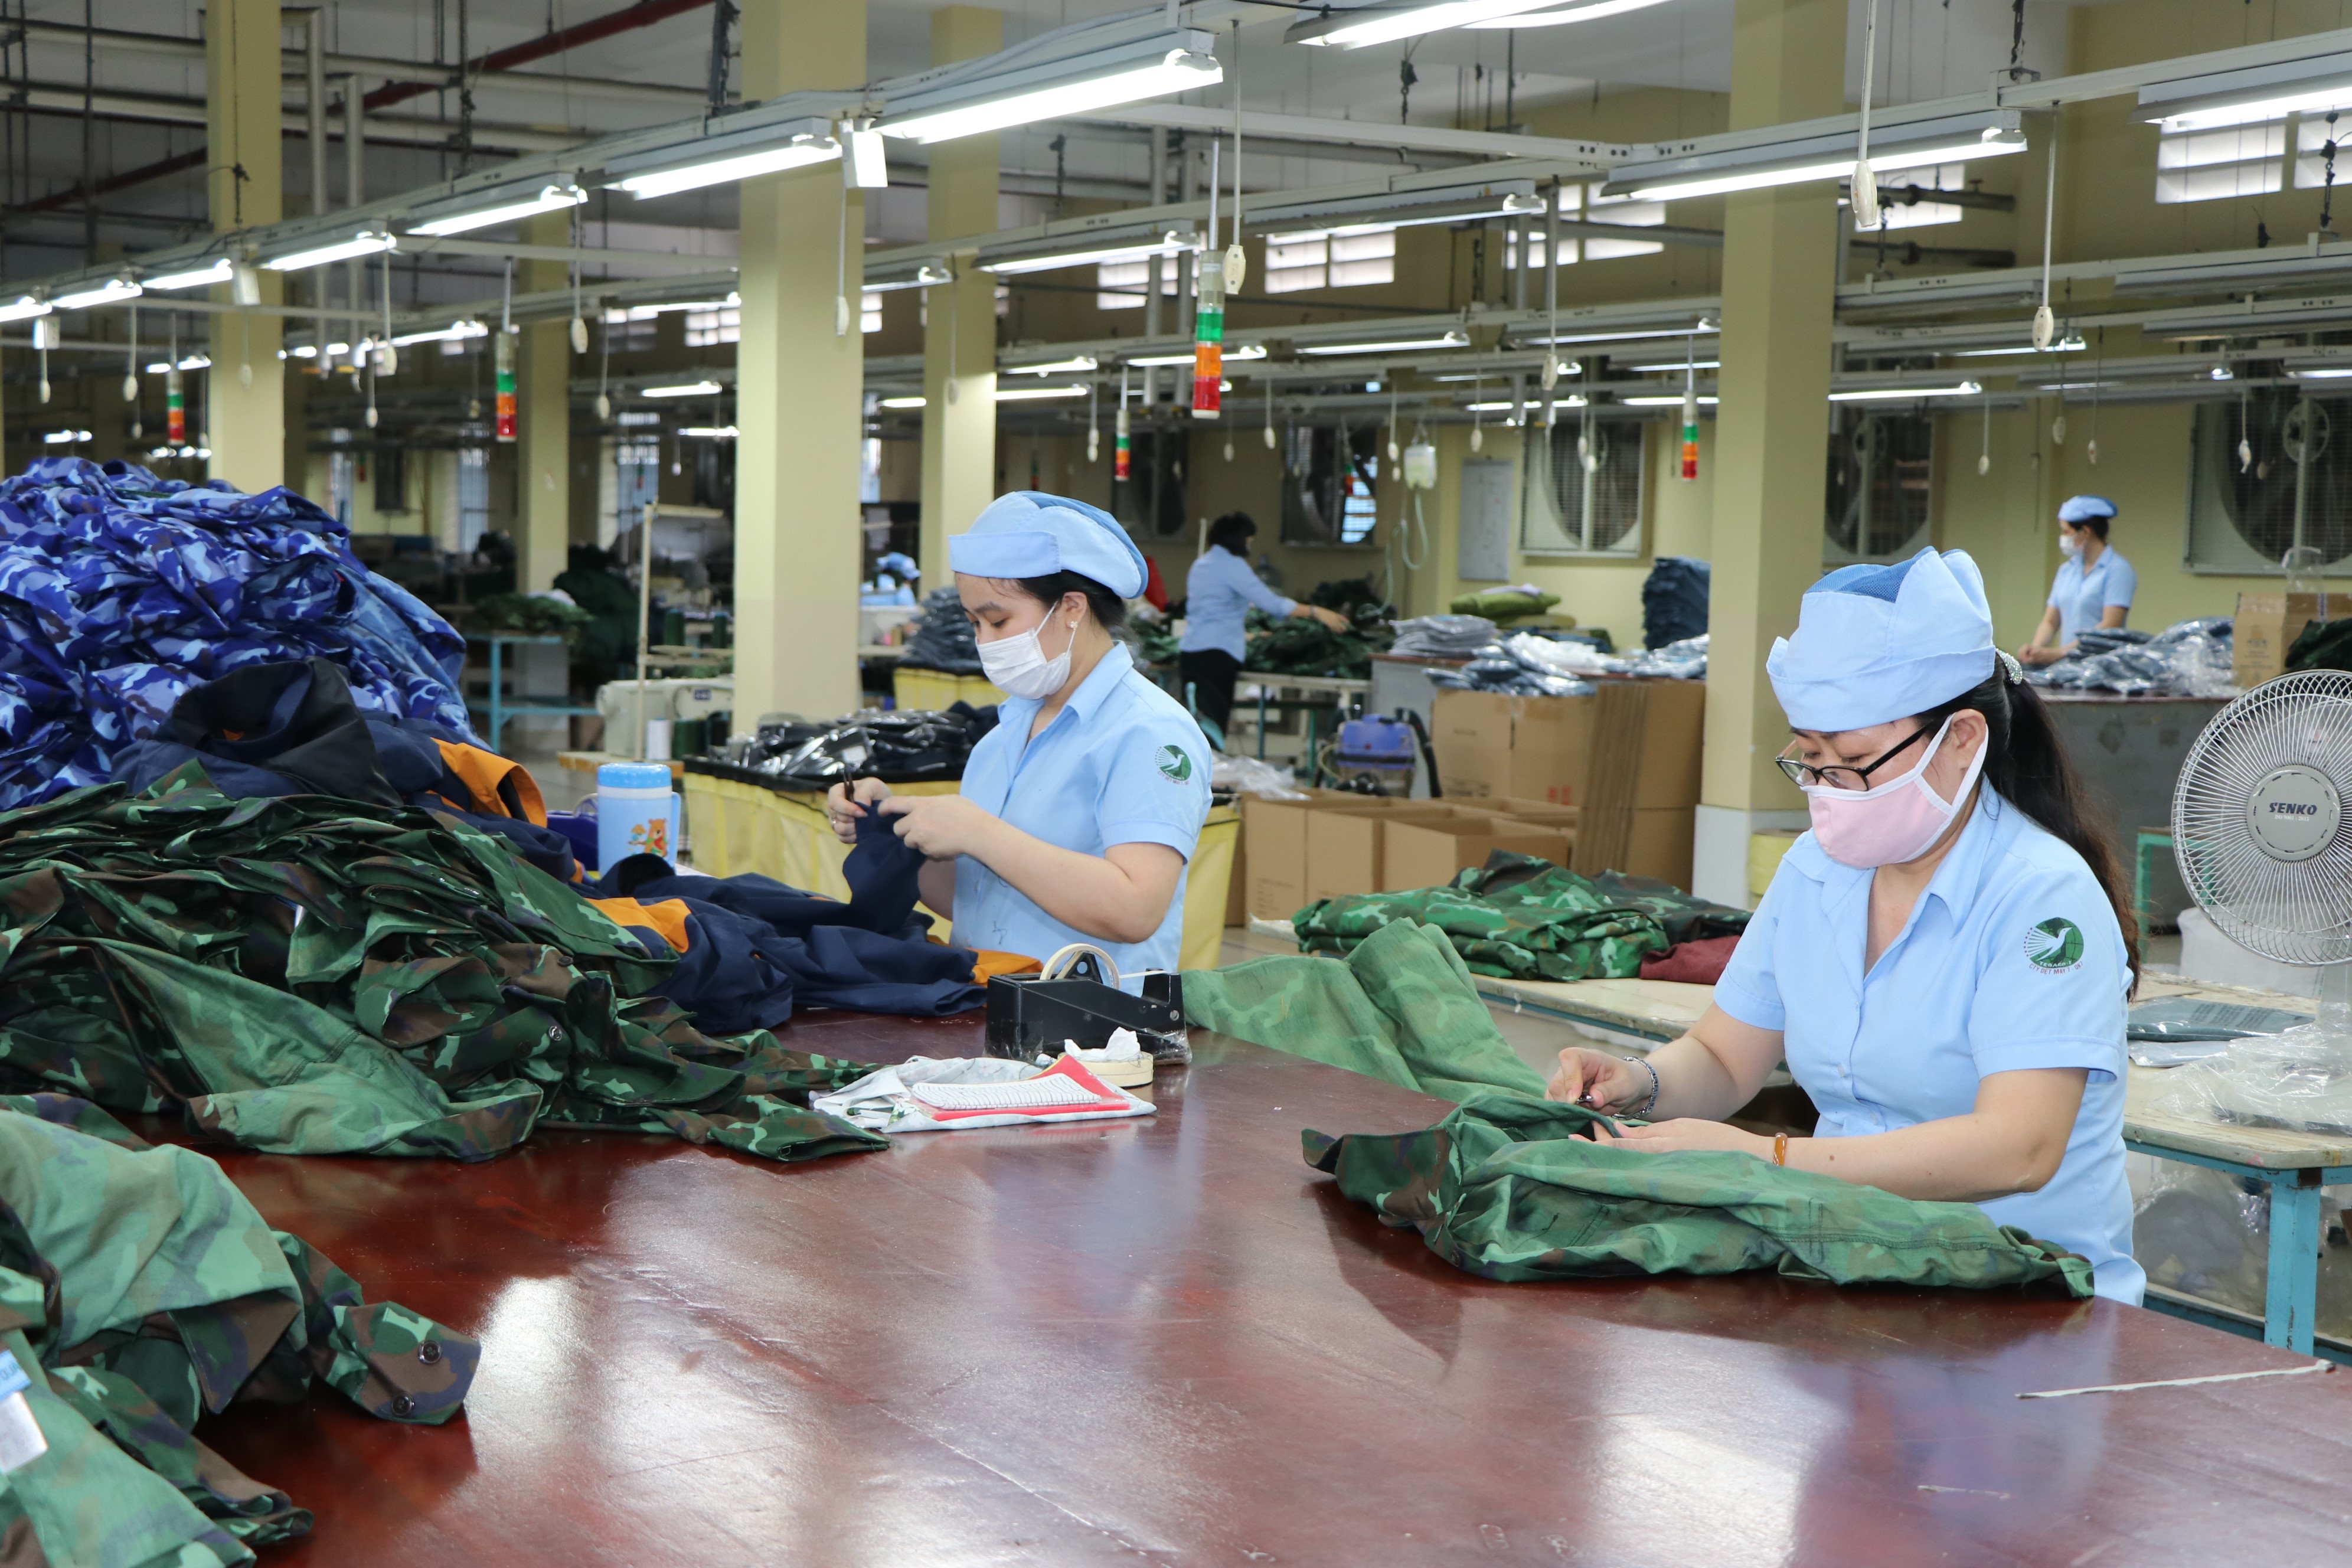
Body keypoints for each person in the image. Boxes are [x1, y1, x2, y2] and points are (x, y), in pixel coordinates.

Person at [1546, 547, 2144, 1304]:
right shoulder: (1816, 871)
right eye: (1811, 760)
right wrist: (1639, 1082)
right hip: (1858, 1268)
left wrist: (1766, 1159)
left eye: (1853, 762)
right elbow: (1725, 1059)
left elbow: (2019, 1147)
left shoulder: (2042, 898)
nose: (1830, 791)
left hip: (2027, 1297)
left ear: (1962, 739)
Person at [824, 492, 1211, 979]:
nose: (984, 642)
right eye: (974, 624)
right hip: (988, 1001)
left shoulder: (1149, 732)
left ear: (1072, 607)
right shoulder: (1002, 740)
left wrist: (981, 833)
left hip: (1095, 1019)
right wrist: (890, 827)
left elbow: (1136, 910)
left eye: (998, 620)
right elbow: (976, 902)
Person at [1178, 512, 1349, 741]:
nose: (1250, 546)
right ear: (1239, 539)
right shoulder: (1232, 566)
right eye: (1249, 540)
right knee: (1212, 723)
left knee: (1195, 723)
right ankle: (1213, 761)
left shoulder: (1201, 565)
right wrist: (1316, 612)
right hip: (1216, 656)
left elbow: (1211, 611)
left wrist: (1246, 634)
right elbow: (1272, 604)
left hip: (1191, 651)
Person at [2020, 495, 2135, 667]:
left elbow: (2110, 625)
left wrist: (2060, 653)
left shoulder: (2118, 570)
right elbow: (2050, 621)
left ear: (2086, 532)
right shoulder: (2066, 570)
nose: (2063, 538)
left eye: (2066, 532)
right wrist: (2035, 649)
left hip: (2101, 668)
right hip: (2067, 667)